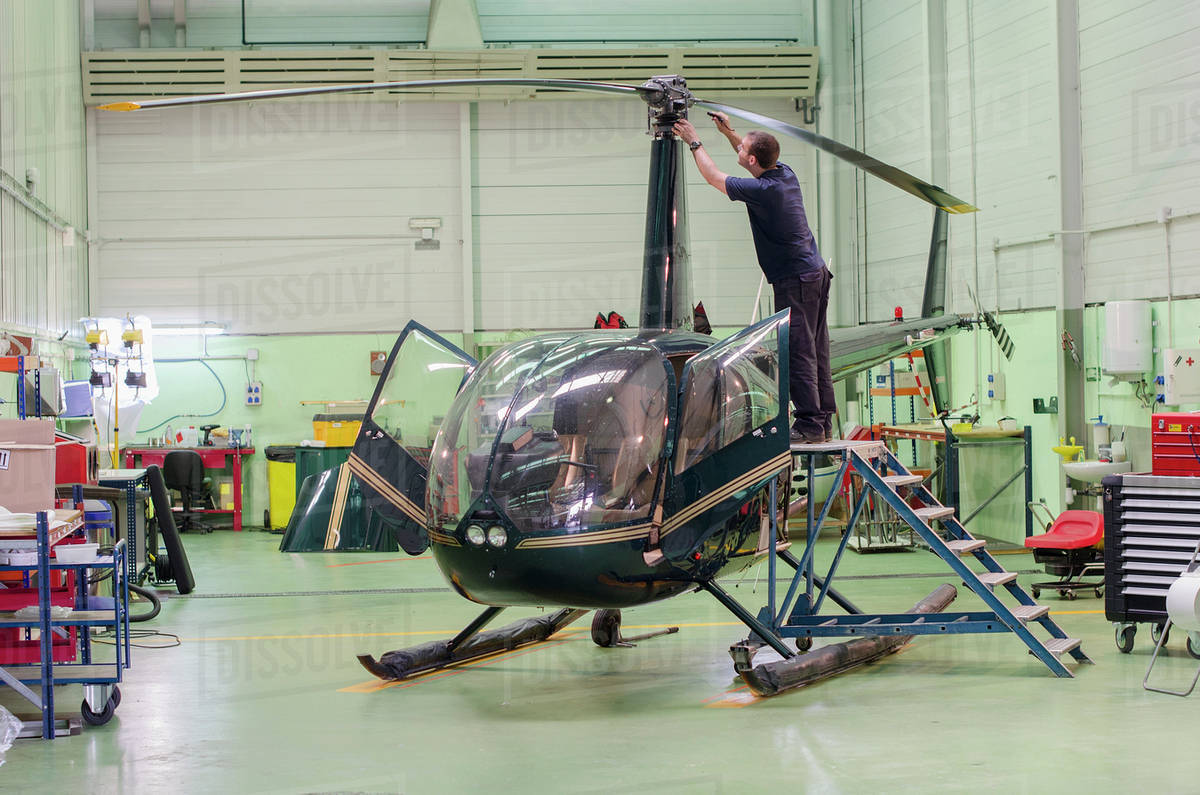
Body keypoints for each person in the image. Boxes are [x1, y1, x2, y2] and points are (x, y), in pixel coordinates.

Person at [673, 113, 835, 444]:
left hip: (796, 279)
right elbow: (750, 157)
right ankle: (822, 420)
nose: (740, 146)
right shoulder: (784, 174)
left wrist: (694, 140)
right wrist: (729, 132)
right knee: (817, 349)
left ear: (751, 159)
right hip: (814, 274)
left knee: (799, 351)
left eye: (742, 146)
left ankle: (809, 425)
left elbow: (714, 177)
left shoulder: (765, 191)